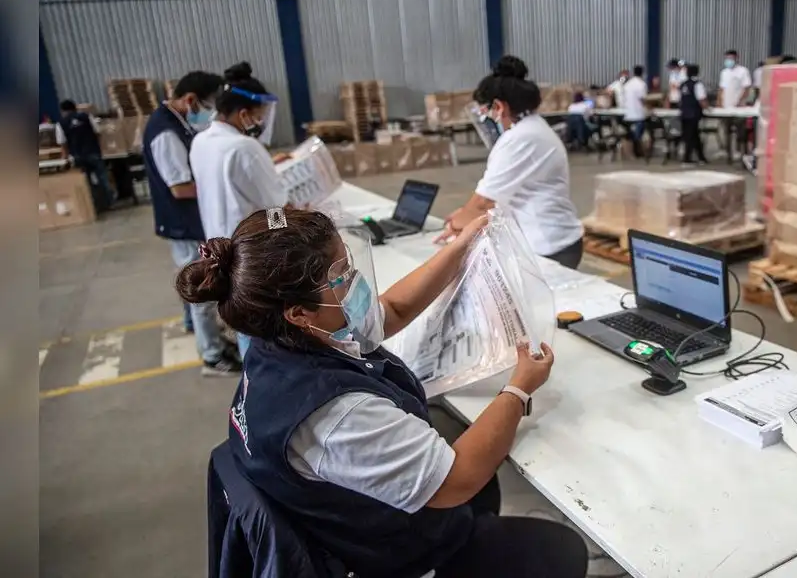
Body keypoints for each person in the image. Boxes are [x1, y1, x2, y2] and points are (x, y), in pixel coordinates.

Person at [176, 207, 589, 578]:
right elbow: (456, 481)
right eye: (340, 277)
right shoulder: (334, 414)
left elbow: (391, 312)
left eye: (349, 264)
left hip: (358, 516)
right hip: (392, 553)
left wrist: (462, 248)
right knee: (559, 549)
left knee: (486, 487)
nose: (353, 282)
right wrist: (518, 389)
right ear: (298, 312)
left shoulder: (283, 337)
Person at [437, 56, 585, 270]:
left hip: (547, 245)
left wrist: (456, 224)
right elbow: (498, 194)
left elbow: (483, 203)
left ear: (498, 106)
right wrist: (465, 214)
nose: (485, 118)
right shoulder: (532, 129)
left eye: (485, 112)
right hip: (550, 239)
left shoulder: (520, 138)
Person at [141, 71, 241, 375]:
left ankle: (200, 331)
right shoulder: (165, 132)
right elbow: (180, 187)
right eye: (209, 104)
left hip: (185, 221)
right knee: (202, 287)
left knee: (192, 278)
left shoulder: (176, 124)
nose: (210, 112)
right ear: (190, 100)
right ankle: (212, 355)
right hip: (182, 222)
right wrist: (218, 182)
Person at [189, 62, 288, 359]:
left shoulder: (200, 141)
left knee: (243, 320)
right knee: (262, 330)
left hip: (219, 248)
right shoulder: (245, 148)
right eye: (258, 117)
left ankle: (252, 378)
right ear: (243, 114)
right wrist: (293, 233)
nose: (260, 122)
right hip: (254, 253)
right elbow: (276, 210)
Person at [56, 100, 115, 211]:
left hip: (77, 156)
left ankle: (93, 206)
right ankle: (110, 203)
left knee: (86, 182)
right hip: (93, 152)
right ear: (75, 108)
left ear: (63, 111)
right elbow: (97, 132)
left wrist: (65, 158)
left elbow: (63, 143)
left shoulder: (61, 123)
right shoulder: (87, 117)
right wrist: (98, 147)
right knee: (103, 178)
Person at [717, 49, 753, 157]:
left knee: (740, 131)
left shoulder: (743, 71)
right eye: (727, 58)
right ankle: (728, 152)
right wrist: (719, 102)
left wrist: (740, 101)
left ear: (737, 58)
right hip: (726, 107)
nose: (729, 61)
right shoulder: (724, 72)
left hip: (738, 107)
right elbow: (721, 89)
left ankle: (740, 151)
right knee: (726, 130)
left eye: (731, 58)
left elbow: (746, 88)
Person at [678, 64, 709, 167]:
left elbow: (680, 99)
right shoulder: (697, 84)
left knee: (694, 136)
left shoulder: (683, 84)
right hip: (693, 114)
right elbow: (701, 99)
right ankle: (686, 159)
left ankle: (701, 158)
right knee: (691, 137)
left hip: (684, 113)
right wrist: (707, 108)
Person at [621, 64, 649, 157]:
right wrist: (649, 108)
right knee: (638, 135)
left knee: (630, 135)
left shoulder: (628, 84)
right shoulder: (641, 84)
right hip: (638, 115)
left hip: (628, 114)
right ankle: (639, 152)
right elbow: (642, 99)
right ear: (643, 73)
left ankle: (630, 153)